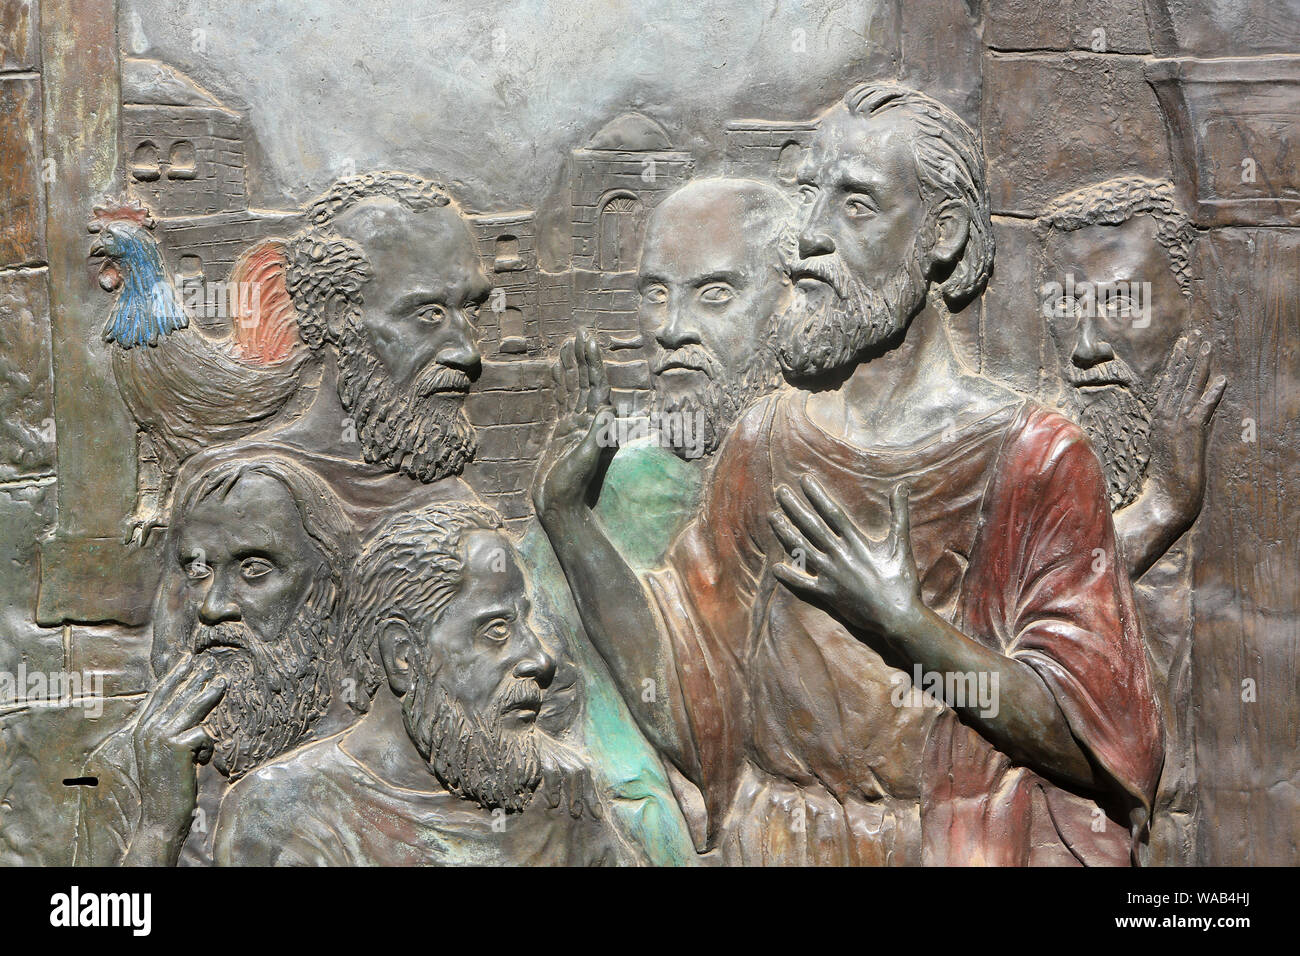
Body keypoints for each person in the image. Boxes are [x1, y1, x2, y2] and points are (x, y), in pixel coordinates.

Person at [534, 83, 1164, 866]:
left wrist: (907, 623)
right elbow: (690, 699)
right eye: (810, 197)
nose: (810, 238)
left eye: (856, 205)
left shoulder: (1032, 456)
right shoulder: (766, 440)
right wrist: (567, 517)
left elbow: (1093, 738)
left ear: (943, 234)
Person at [215, 503, 638, 865]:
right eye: (495, 629)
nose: (539, 659)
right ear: (403, 654)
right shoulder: (281, 815)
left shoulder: (563, 795)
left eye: (523, 622)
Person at [74, 455, 354, 866]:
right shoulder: (125, 771)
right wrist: (158, 829)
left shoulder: (373, 759)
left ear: (325, 588)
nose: (213, 606)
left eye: (255, 569)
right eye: (197, 569)